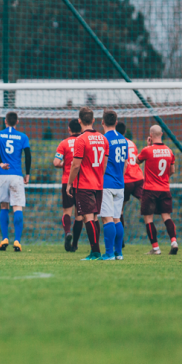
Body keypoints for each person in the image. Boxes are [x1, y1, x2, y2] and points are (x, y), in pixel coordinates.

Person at [66, 107, 109, 261]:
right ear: (93, 120)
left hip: (84, 184)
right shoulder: (103, 139)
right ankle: (96, 251)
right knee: (94, 218)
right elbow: (104, 164)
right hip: (98, 183)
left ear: (79, 121)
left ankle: (96, 252)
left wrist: (69, 183)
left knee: (87, 218)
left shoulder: (80, 140)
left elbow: (76, 165)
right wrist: (98, 177)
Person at [0, 112, 31, 252]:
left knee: (4, 206)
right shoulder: (23, 137)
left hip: (1, 174)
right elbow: (28, 154)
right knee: (17, 207)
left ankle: (4, 238)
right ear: (17, 122)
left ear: (5, 121)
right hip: (16, 175)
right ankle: (17, 241)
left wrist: (1, 162)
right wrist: (27, 173)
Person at [137, 125, 178, 255]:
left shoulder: (147, 150)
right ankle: (174, 241)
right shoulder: (169, 151)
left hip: (150, 189)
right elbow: (172, 170)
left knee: (148, 219)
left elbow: (137, 161)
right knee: (166, 216)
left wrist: (148, 145)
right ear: (162, 134)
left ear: (150, 135)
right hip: (165, 189)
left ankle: (156, 248)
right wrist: (163, 178)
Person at [98, 110, 128, 261]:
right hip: (120, 183)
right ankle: (118, 253)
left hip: (107, 183)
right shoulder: (124, 140)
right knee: (117, 218)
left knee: (107, 218)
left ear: (102, 122)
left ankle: (109, 253)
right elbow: (126, 165)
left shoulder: (103, 139)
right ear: (116, 122)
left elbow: (102, 163)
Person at [53, 119, 83, 252]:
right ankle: (75, 244)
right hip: (82, 182)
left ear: (69, 129)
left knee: (67, 211)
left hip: (67, 181)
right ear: (81, 129)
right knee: (79, 215)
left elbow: (55, 162)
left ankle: (67, 233)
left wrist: (64, 165)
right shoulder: (84, 142)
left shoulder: (64, 143)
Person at [117, 122, 143, 241]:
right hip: (138, 178)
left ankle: (120, 239)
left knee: (119, 210)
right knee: (146, 204)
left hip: (126, 179)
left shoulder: (117, 143)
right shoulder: (132, 143)